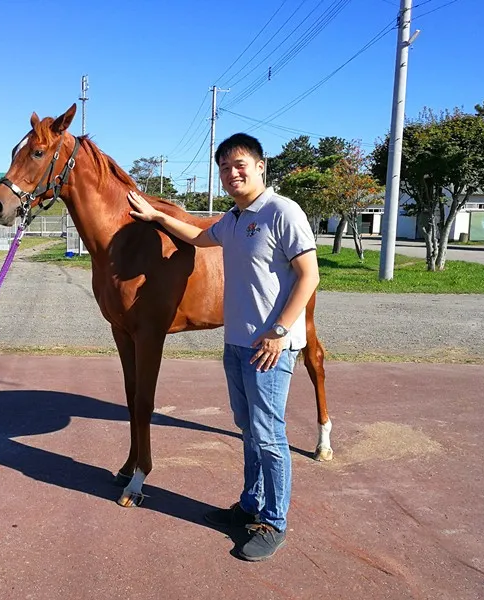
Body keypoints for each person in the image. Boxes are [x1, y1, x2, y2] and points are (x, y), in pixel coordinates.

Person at [127, 134, 319, 562]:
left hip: (270, 348)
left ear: (260, 165)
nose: (233, 173)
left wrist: (281, 330)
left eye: (240, 164)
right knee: (249, 430)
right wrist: (155, 214)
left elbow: (310, 275)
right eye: (225, 168)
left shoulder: (282, 211)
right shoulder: (234, 220)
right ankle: (249, 507)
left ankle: (274, 522)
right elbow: (196, 237)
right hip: (236, 345)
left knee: (269, 436)